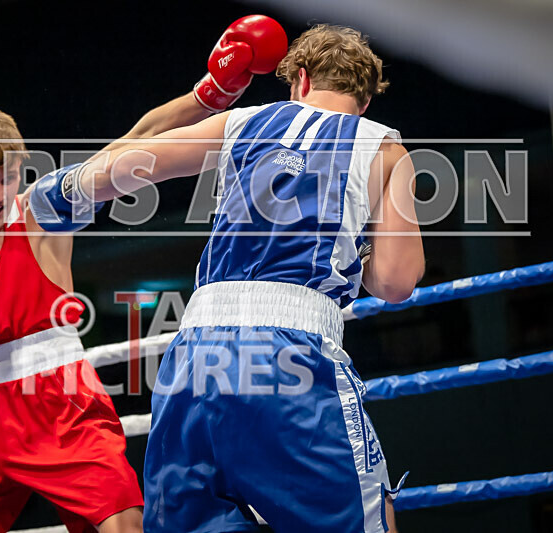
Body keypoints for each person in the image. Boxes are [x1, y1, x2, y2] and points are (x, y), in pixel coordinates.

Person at [0, 15, 288, 533]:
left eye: (10, 176)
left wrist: (209, 95)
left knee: (123, 527)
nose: (1, 193)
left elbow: (130, 145)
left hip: (59, 402)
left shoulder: (39, 211)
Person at [34, 23, 425, 533]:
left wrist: (62, 191)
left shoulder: (245, 123)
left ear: (300, 80)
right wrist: (358, 238)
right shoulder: (384, 150)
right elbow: (395, 283)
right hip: (295, 358)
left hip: (195, 358)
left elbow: (139, 164)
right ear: (366, 102)